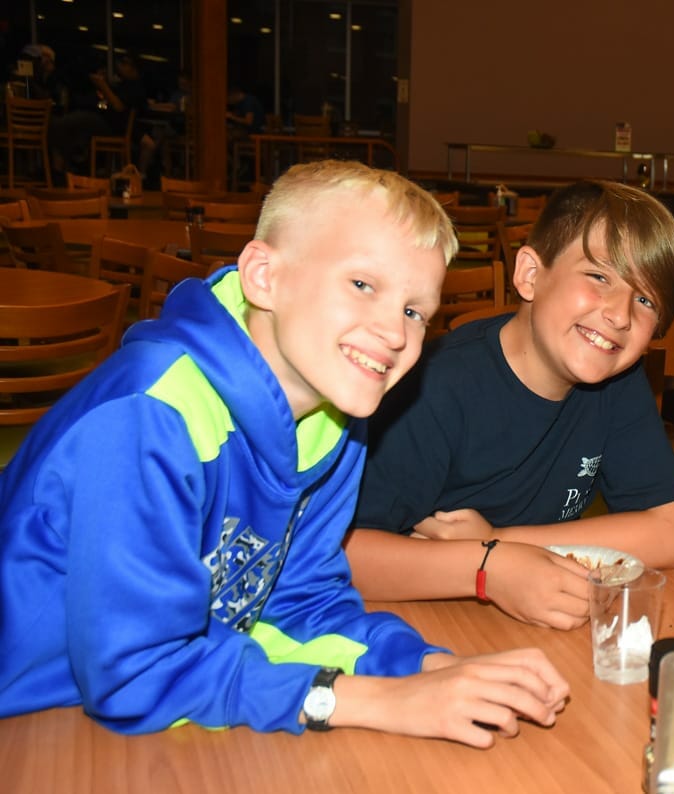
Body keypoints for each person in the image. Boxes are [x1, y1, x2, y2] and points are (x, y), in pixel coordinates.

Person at [0, 160, 570, 745]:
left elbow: (298, 602)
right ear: (264, 276)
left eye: (414, 311)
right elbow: (135, 672)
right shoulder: (151, 413)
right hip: (32, 716)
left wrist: (427, 667)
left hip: (116, 715)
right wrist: (372, 699)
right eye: (362, 285)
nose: (396, 334)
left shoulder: (334, 416)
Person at [347, 180, 674, 631]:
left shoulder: (616, 379)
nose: (621, 315)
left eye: (645, 300)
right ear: (531, 275)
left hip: (528, 629)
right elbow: (344, 554)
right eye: (599, 277)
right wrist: (486, 568)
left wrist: (498, 542)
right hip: (417, 627)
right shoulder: (432, 387)